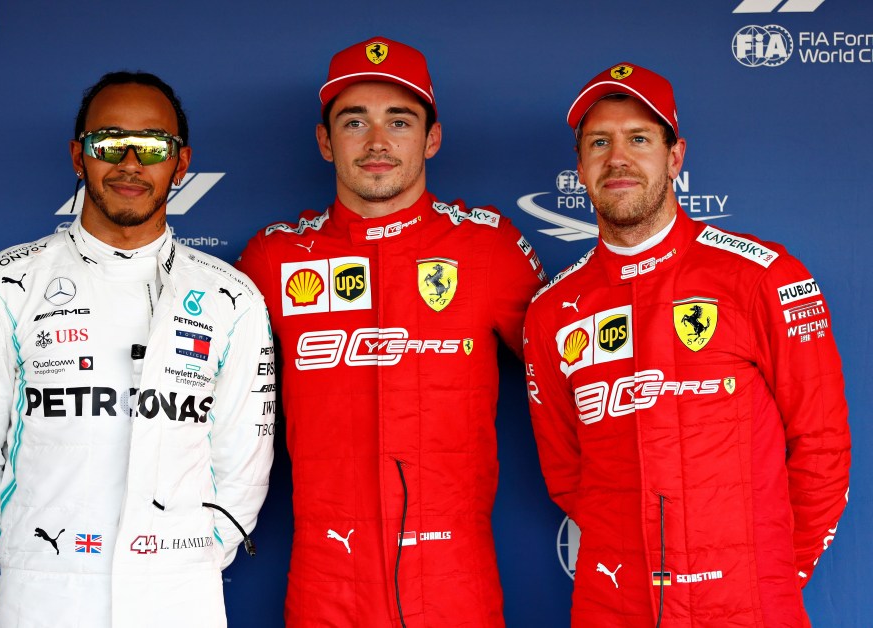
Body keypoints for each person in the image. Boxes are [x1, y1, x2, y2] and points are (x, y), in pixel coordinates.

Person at [0, 71, 275, 627]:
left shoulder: (230, 297)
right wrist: (36, 552)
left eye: (153, 145)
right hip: (43, 596)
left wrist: (180, 557)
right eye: (109, 143)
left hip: (181, 594)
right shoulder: (0, 284)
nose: (130, 163)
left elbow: (244, 468)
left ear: (180, 163)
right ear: (78, 157)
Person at [524, 62, 851, 626]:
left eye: (639, 139)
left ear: (675, 157)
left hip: (749, 602)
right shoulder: (552, 311)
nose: (617, 158)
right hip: (613, 603)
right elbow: (567, 471)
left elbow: (821, 447)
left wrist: (770, 573)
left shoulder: (761, 276)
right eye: (599, 142)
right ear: (579, 167)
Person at [236, 37, 547, 626]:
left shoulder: (489, 249)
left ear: (431, 137)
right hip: (327, 577)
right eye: (355, 122)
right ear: (326, 142)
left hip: (455, 577)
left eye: (398, 121)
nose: (377, 142)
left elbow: (576, 379)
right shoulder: (274, 257)